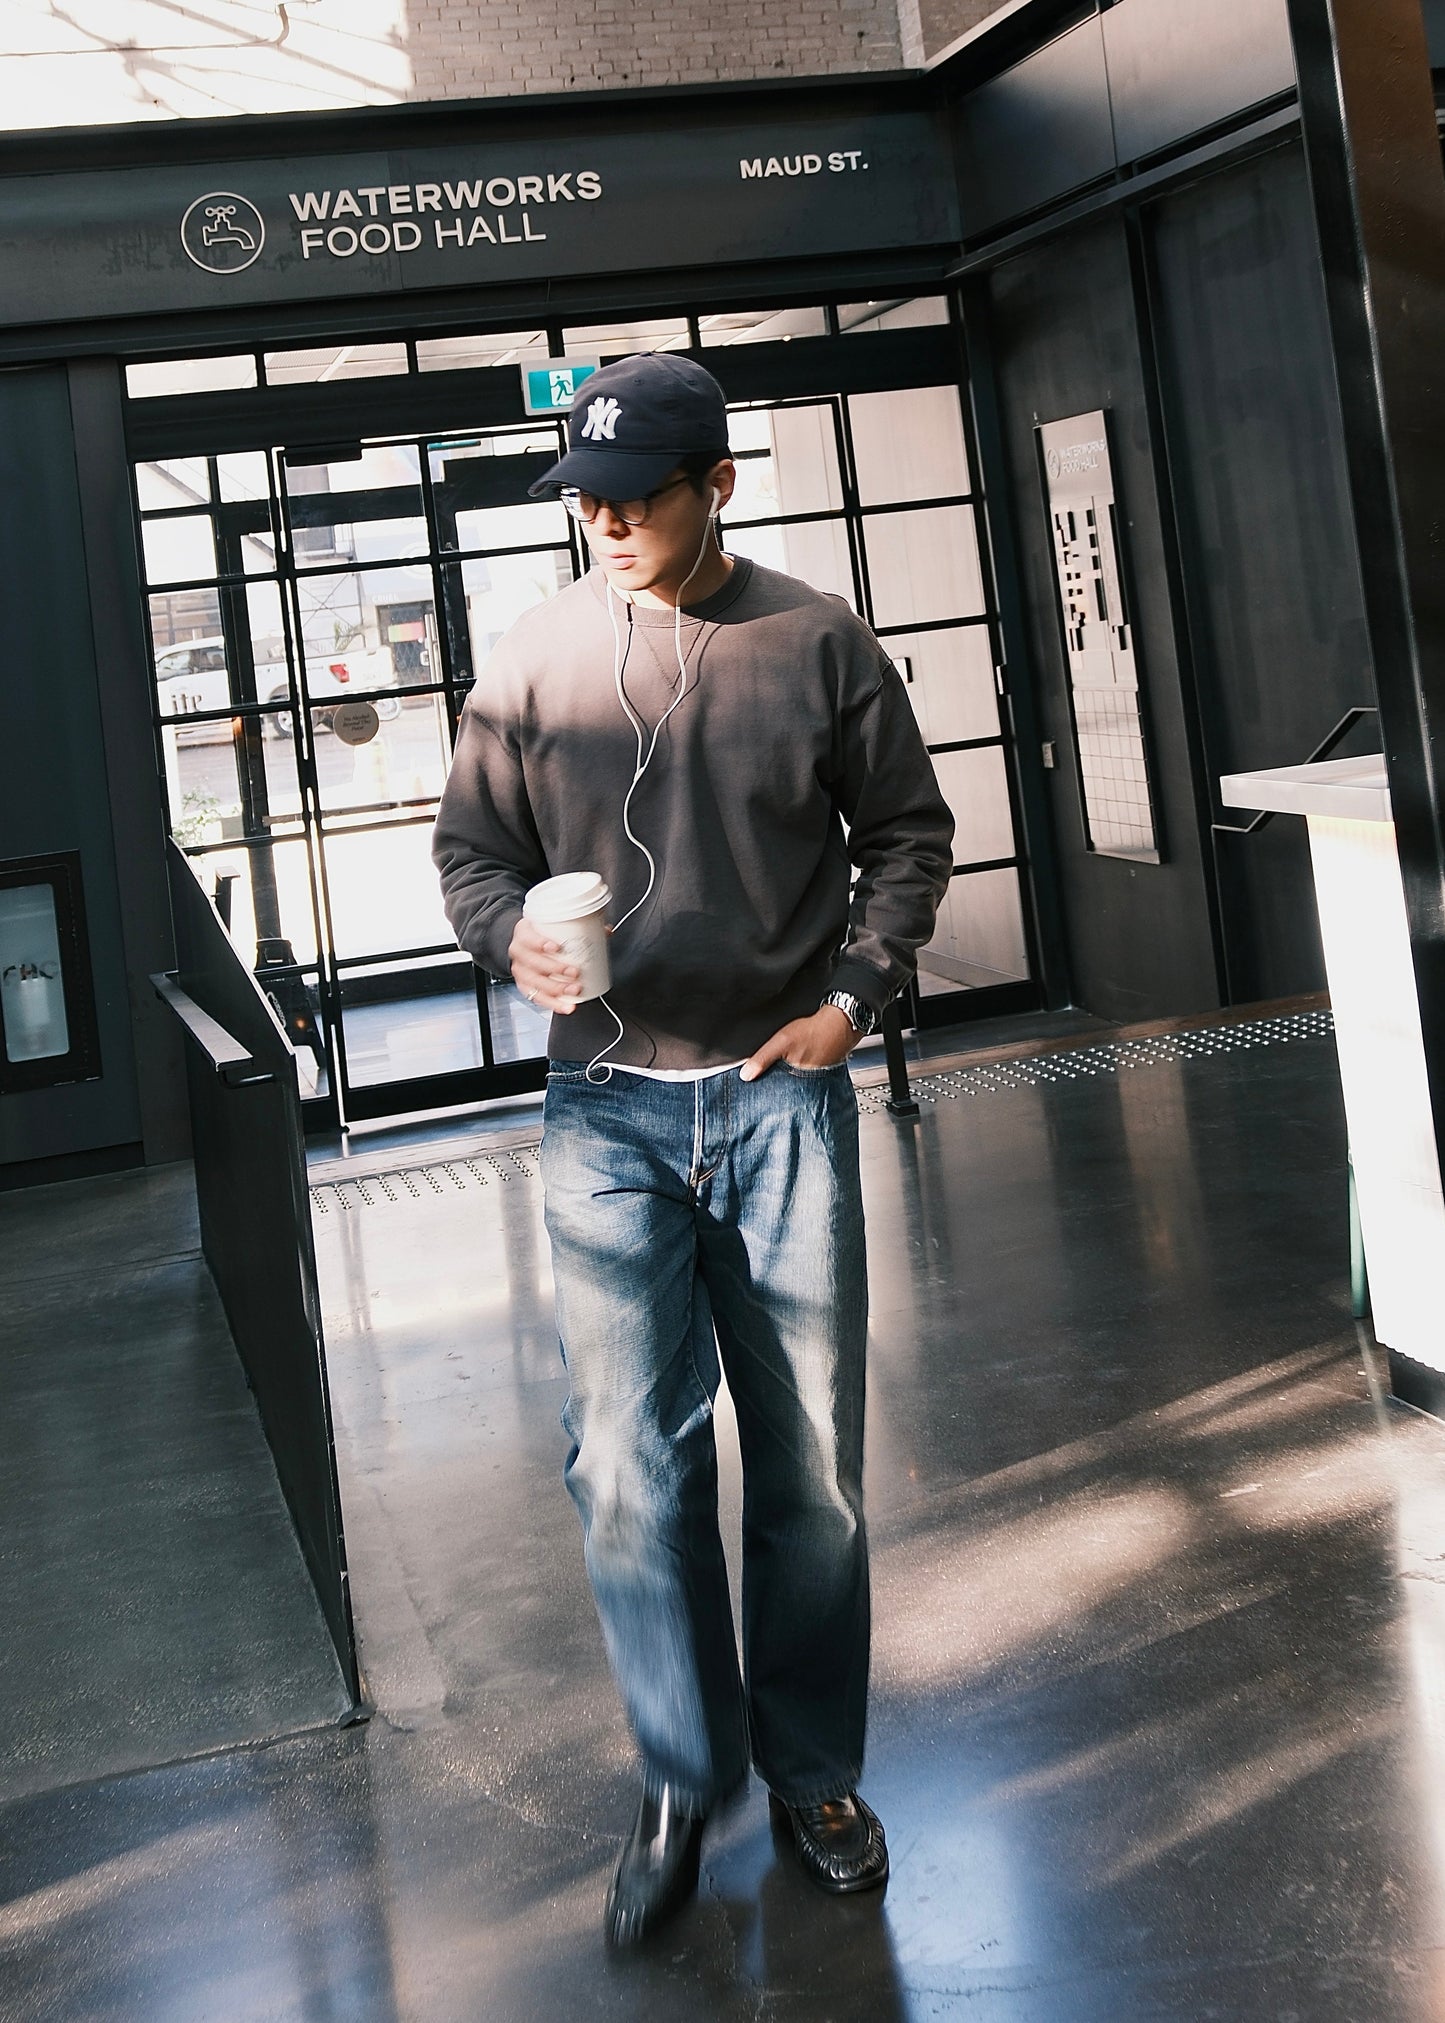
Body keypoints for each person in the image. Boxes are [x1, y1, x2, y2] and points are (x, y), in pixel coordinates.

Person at [433, 352, 954, 1948]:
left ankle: (810, 1775)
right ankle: (679, 1771)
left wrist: (853, 999)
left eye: (629, 493)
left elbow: (908, 834)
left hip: (781, 1100)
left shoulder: (814, 638)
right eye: (578, 494)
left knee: (812, 1477)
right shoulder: (531, 656)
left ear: (716, 485)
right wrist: (504, 941)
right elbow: (471, 852)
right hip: (604, 1111)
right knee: (623, 1469)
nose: (596, 517)